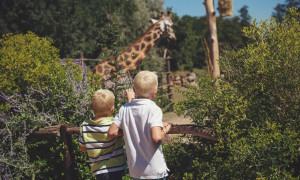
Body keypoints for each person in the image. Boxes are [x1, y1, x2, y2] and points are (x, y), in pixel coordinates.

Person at [108, 71, 171, 180]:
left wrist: (130, 129)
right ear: (155, 92)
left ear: (134, 89)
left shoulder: (124, 109)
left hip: (136, 172)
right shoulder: (153, 109)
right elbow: (156, 137)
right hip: (154, 171)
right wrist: (165, 129)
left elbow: (112, 132)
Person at [78, 89, 127, 180]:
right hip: (116, 166)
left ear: (92, 107)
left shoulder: (85, 126)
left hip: (98, 170)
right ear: (112, 109)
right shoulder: (113, 124)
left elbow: (82, 148)